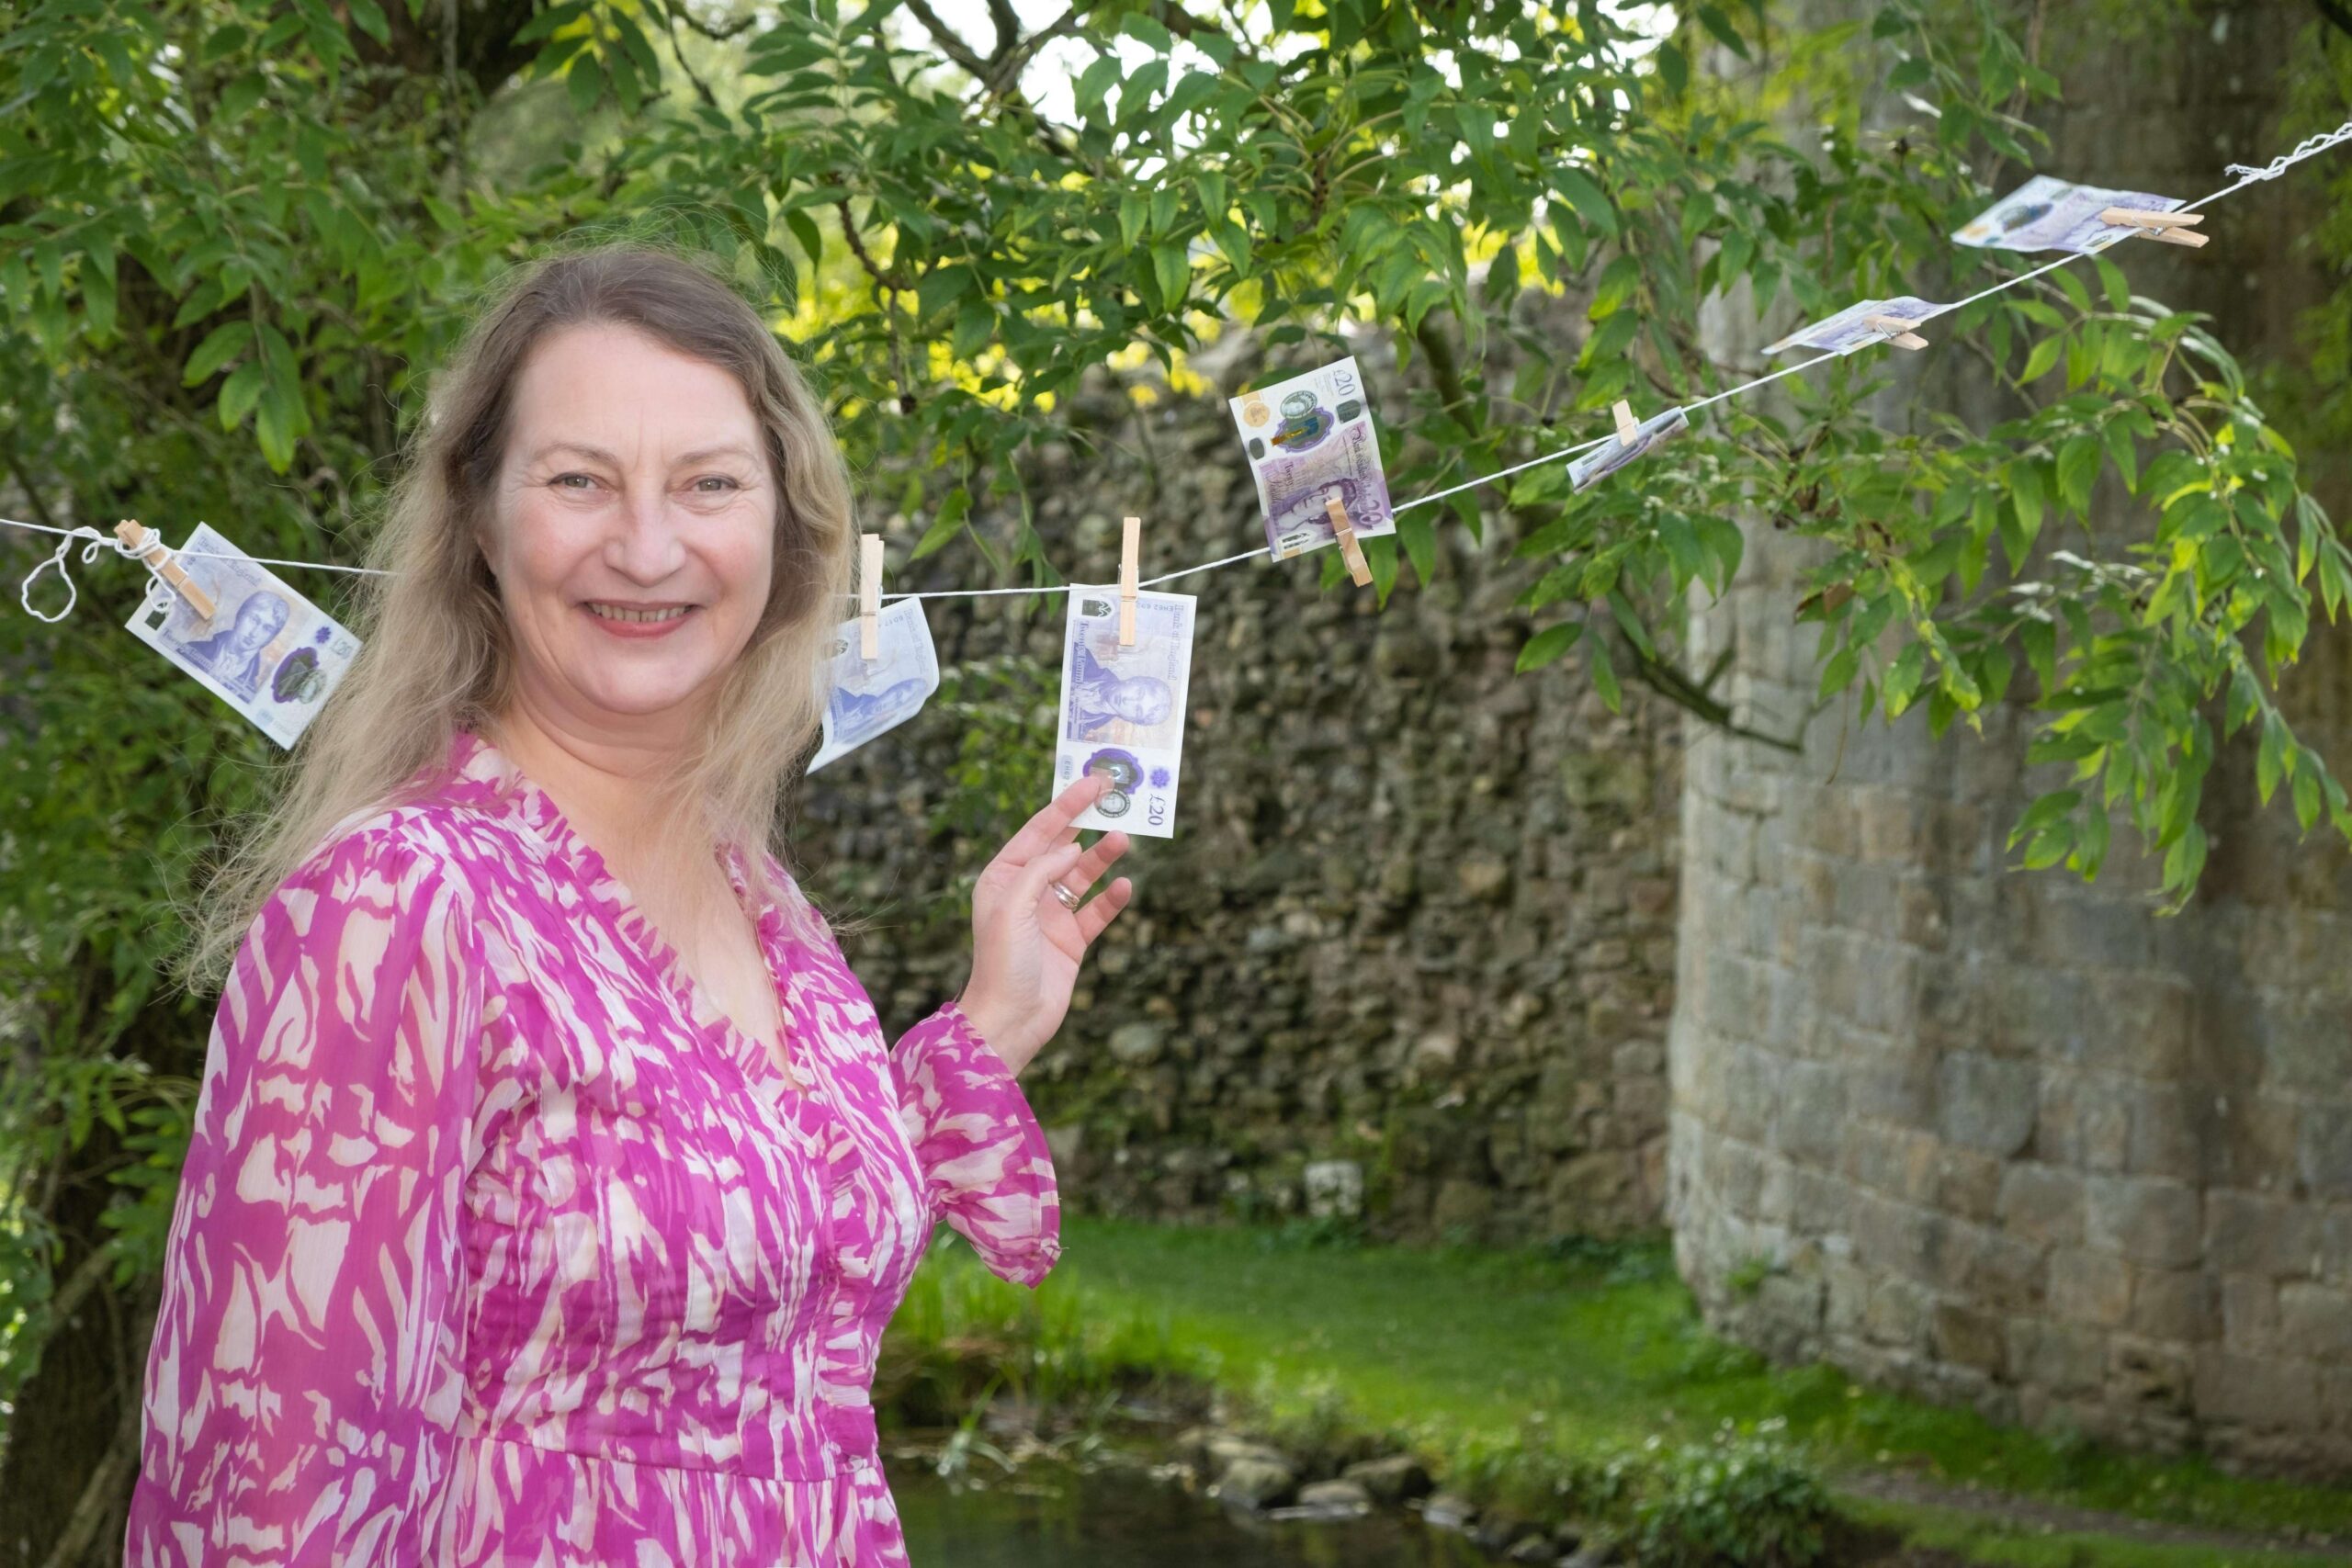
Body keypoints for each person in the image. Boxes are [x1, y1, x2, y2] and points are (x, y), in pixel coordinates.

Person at [123, 243, 1134, 1566]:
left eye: (708, 484)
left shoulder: (762, 898)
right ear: (483, 523)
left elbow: (771, 1275)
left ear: (788, 526)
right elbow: (265, 1481)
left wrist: (987, 1026)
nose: (647, 546)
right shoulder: (399, 907)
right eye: (579, 481)